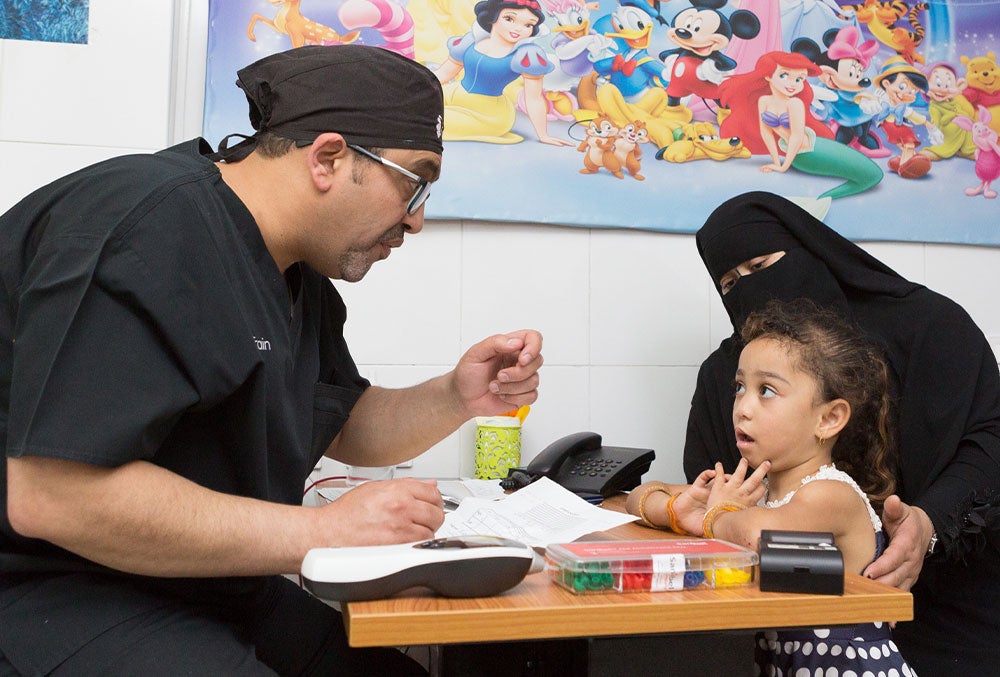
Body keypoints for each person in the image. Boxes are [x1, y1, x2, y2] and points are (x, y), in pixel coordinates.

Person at [0, 45, 544, 675]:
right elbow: (57, 496)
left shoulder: (297, 274)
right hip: (50, 589)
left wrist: (457, 395)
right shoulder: (148, 226)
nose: (417, 220)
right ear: (329, 158)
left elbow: (340, 419)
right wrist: (325, 530)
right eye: (416, 182)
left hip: (202, 584)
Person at [684, 190, 1000, 673]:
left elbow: (990, 439)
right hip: (798, 625)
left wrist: (930, 524)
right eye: (729, 283)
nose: (748, 287)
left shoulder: (928, 324)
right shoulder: (728, 372)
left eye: (760, 265)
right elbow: (712, 486)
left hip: (950, 610)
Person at [633, 298, 914, 674]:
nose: (742, 407)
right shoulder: (754, 491)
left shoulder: (832, 494)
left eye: (766, 391)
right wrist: (675, 510)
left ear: (829, 418)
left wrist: (707, 516)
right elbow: (639, 494)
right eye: (739, 387)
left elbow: (754, 536)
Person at [718, 51, 882, 201]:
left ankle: (831, 195)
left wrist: (783, 166)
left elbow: (796, 136)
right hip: (804, 158)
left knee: (872, 173)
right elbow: (766, 132)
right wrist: (776, 162)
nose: (793, 84)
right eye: (784, 76)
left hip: (812, 148)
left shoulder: (795, 103)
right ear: (768, 76)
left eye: (799, 79)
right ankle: (828, 196)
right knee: (870, 174)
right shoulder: (764, 101)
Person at [432, 0, 572, 146]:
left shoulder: (526, 54)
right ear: (493, 16)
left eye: (528, 25)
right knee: (415, 101)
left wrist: (544, 135)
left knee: (428, 117)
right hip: (456, 93)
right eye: (510, 19)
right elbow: (443, 74)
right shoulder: (470, 41)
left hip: (489, 113)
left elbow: (534, 98)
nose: (518, 29)